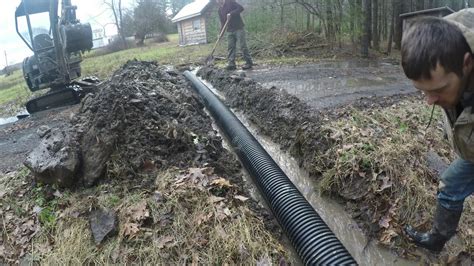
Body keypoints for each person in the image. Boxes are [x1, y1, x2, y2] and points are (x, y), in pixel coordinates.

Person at [401, 9, 474, 253]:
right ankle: (437, 240)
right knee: (451, 186)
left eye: (439, 89)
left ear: (467, 63)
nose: (429, 101)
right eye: (423, 90)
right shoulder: (446, 44)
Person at [216, 0, 253, 70]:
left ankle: (249, 62)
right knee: (230, 47)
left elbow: (241, 8)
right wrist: (220, 34)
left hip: (239, 28)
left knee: (243, 46)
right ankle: (231, 64)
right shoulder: (219, 10)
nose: (217, 1)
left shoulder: (230, 2)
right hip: (229, 30)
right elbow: (222, 23)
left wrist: (231, 13)